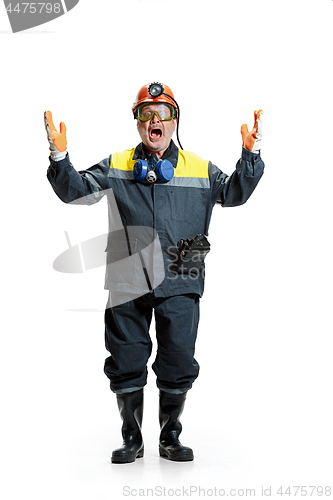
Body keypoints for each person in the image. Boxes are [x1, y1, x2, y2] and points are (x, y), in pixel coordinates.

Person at [45, 82, 264, 464]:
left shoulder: (198, 167)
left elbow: (233, 194)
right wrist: (60, 155)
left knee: (178, 359)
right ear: (137, 123)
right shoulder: (117, 165)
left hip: (182, 277)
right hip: (128, 280)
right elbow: (76, 192)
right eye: (145, 113)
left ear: (174, 120)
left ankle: (169, 435)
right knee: (126, 358)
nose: (153, 120)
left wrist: (250, 153)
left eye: (162, 112)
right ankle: (132, 436)